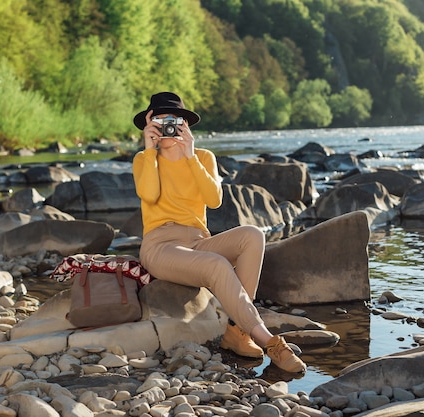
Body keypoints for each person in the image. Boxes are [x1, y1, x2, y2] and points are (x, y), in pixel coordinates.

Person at [131, 92, 306, 374]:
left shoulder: (202, 157)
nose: (168, 127)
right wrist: (150, 150)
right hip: (160, 246)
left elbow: (215, 200)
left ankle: (236, 332)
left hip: (199, 242)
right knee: (217, 264)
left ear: (185, 124)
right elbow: (149, 195)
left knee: (253, 235)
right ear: (150, 124)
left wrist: (189, 156)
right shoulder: (144, 159)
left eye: (173, 120)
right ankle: (269, 341)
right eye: (160, 120)